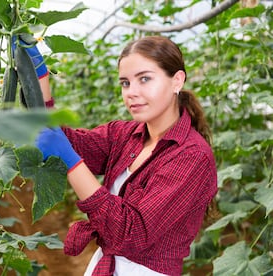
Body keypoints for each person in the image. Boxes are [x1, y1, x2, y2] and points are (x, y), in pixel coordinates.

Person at [31, 35, 218, 276]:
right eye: (125, 83)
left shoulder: (192, 157)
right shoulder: (124, 134)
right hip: (106, 265)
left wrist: (70, 161)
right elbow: (65, 140)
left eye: (144, 79)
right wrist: (38, 77)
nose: (131, 92)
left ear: (177, 81)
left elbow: (131, 233)